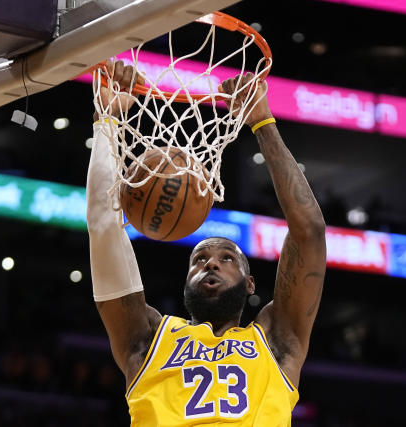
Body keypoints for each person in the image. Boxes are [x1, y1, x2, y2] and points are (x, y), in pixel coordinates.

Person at [87, 60, 326, 425]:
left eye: (227, 257)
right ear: (185, 282)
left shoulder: (277, 342)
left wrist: (262, 121)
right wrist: (107, 121)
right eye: (198, 259)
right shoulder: (148, 338)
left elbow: (309, 231)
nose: (210, 263)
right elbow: (104, 226)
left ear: (250, 284)